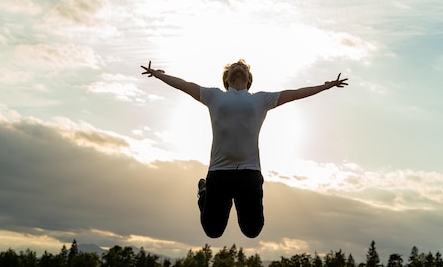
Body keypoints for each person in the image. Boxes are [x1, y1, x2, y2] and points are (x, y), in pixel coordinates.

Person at [140, 59, 348, 238]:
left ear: (249, 79)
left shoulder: (260, 99)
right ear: (226, 79)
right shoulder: (214, 96)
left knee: (252, 230)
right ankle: (204, 192)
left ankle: (236, 198)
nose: (238, 67)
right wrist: (158, 76)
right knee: (213, 231)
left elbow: (294, 94)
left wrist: (325, 86)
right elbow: (184, 85)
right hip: (219, 173)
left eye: (243, 67)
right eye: (233, 67)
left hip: (249, 173)